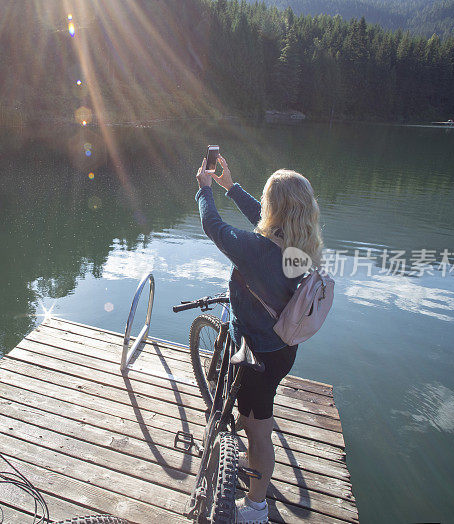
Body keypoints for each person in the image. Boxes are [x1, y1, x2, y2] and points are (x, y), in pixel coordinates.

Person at [194, 155, 323, 524]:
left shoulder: (256, 251)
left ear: (275, 207)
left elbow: (214, 227)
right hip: (284, 348)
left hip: (256, 357)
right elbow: (264, 223)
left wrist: (205, 190)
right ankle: (256, 494)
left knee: (258, 433)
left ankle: (255, 507)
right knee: (260, 416)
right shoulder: (303, 245)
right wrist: (232, 188)